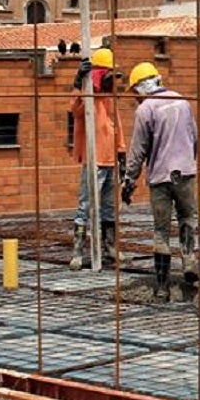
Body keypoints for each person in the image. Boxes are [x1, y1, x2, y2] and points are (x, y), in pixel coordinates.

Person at [121, 62, 199, 302]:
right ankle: (189, 265)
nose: (135, 97)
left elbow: (137, 151)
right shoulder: (182, 102)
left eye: (135, 91)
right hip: (185, 173)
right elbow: (194, 137)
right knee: (187, 219)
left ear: (142, 86)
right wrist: (188, 161)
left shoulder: (146, 110)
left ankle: (163, 287)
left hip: (160, 177)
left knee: (161, 231)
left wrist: (128, 182)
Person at [69, 48, 126, 270]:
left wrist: (121, 151)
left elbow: (116, 125)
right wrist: (78, 83)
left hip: (111, 160)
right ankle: (78, 251)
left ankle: (109, 248)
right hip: (94, 160)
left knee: (109, 208)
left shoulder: (110, 98)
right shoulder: (89, 96)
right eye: (108, 75)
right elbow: (73, 110)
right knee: (85, 206)